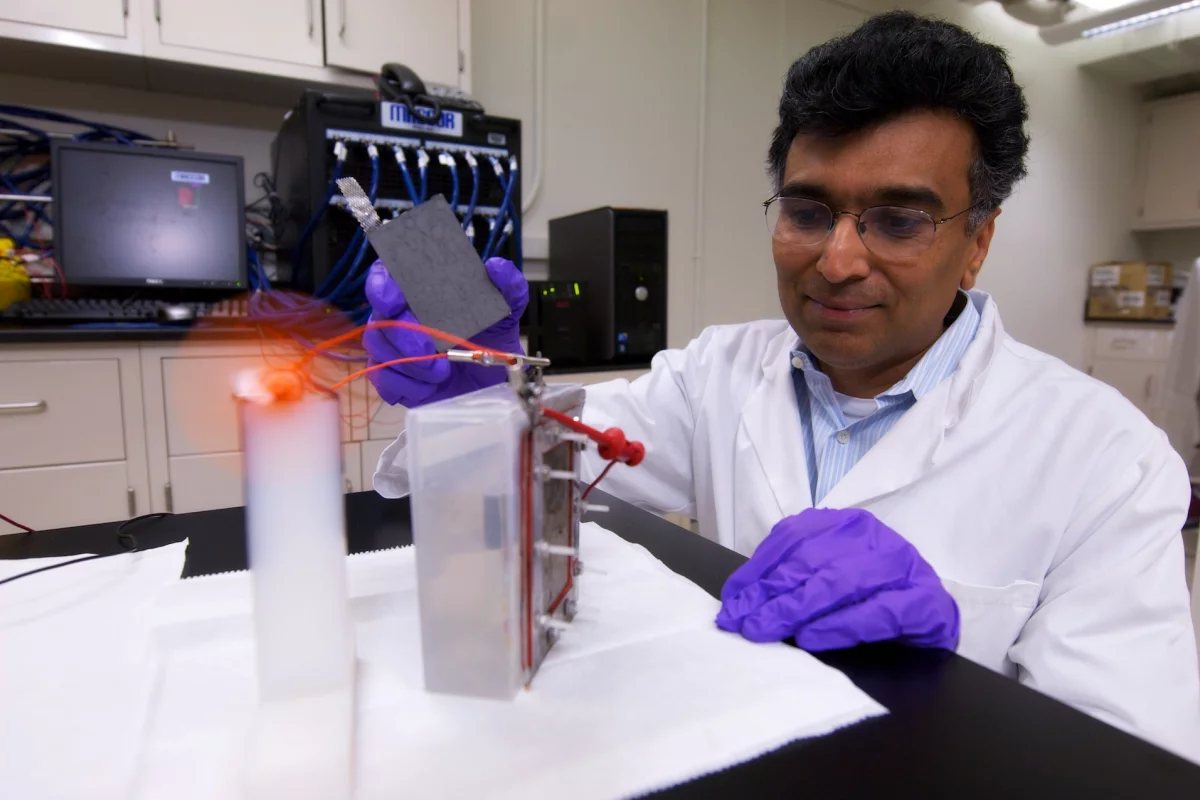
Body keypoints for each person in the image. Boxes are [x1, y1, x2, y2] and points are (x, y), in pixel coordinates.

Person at [365, 12, 1200, 759]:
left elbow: (1136, 764)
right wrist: (472, 393)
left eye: (900, 220)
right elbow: (544, 464)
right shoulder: (718, 375)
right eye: (808, 212)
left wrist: (950, 657)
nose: (837, 261)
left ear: (977, 241)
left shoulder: (1107, 459)